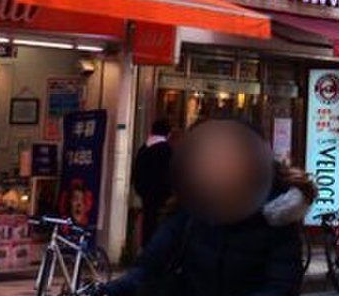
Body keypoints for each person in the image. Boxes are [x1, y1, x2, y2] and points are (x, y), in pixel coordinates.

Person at [104, 119, 314, 296]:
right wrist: (107, 290)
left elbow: (282, 286)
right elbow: (149, 266)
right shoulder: (190, 208)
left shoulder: (277, 215)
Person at [132, 119, 174, 252]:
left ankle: (146, 249)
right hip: (164, 196)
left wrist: (140, 189)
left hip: (146, 194)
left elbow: (136, 173)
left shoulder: (143, 149)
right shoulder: (167, 150)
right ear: (168, 133)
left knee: (148, 221)